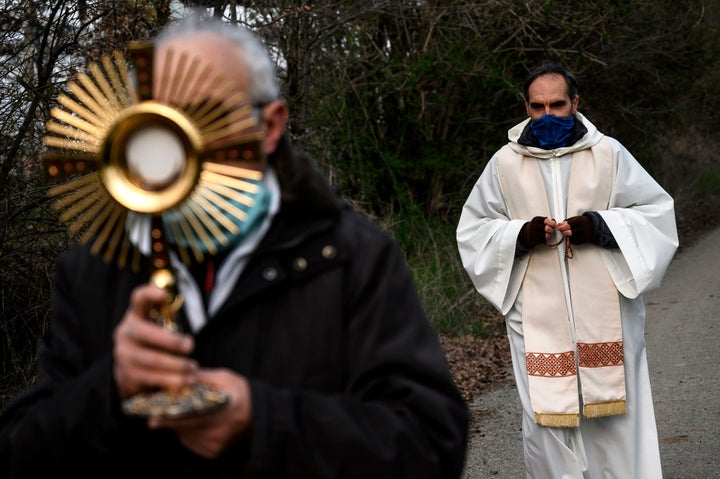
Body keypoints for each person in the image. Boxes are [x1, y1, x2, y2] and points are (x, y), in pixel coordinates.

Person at [0, 15, 468, 479]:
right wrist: (110, 388)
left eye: (207, 114)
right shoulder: (92, 269)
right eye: (160, 119)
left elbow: (431, 444)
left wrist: (264, 421)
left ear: (269, 126)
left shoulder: (351, 258)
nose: (180, 145)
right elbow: (23, 452)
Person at [456, 63, 678, 478]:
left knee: (615, 418)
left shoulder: (609, 153)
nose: (548, 115)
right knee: (545, 418)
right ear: (526, 107)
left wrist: (600, 226)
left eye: (557, 104)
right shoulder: (504, 163)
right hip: (536, 314)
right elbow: (473, 230)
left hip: (608, 309)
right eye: (538, 107)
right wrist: (521, 235)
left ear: (575, 103)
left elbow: (656, 215)